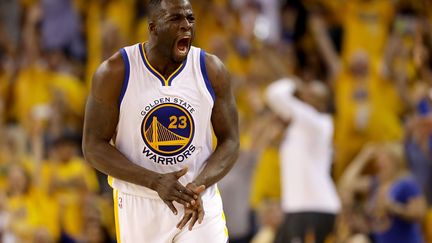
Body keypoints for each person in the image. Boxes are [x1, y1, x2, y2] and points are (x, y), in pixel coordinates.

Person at [82, 0, 239, 242]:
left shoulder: (211, 70)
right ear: (153, 27)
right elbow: (93, 147)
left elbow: (230, 141)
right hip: (140, 203)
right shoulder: (115, 72)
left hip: (196, 200)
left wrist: (199, 185)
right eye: (176, 19)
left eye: (190, 19)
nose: (186, 26)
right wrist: (155, 181)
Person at [265, 78, 340, 243]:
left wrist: (295, 83)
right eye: (307, 94)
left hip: (314, 207)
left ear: (324, 103)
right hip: (298, 207)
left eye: (313, 95)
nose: (307, 98)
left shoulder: (316, 122)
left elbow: (274, 94)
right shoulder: (301, 125)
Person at [339, 143, 427, 243]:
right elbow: (346, 184)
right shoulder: (376, 183)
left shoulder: (406, 183)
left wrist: (393, 208)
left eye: (385, 158)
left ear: (395, 161)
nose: (380, 162)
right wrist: (362, 158)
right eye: (379, 158)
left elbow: (420, 213)